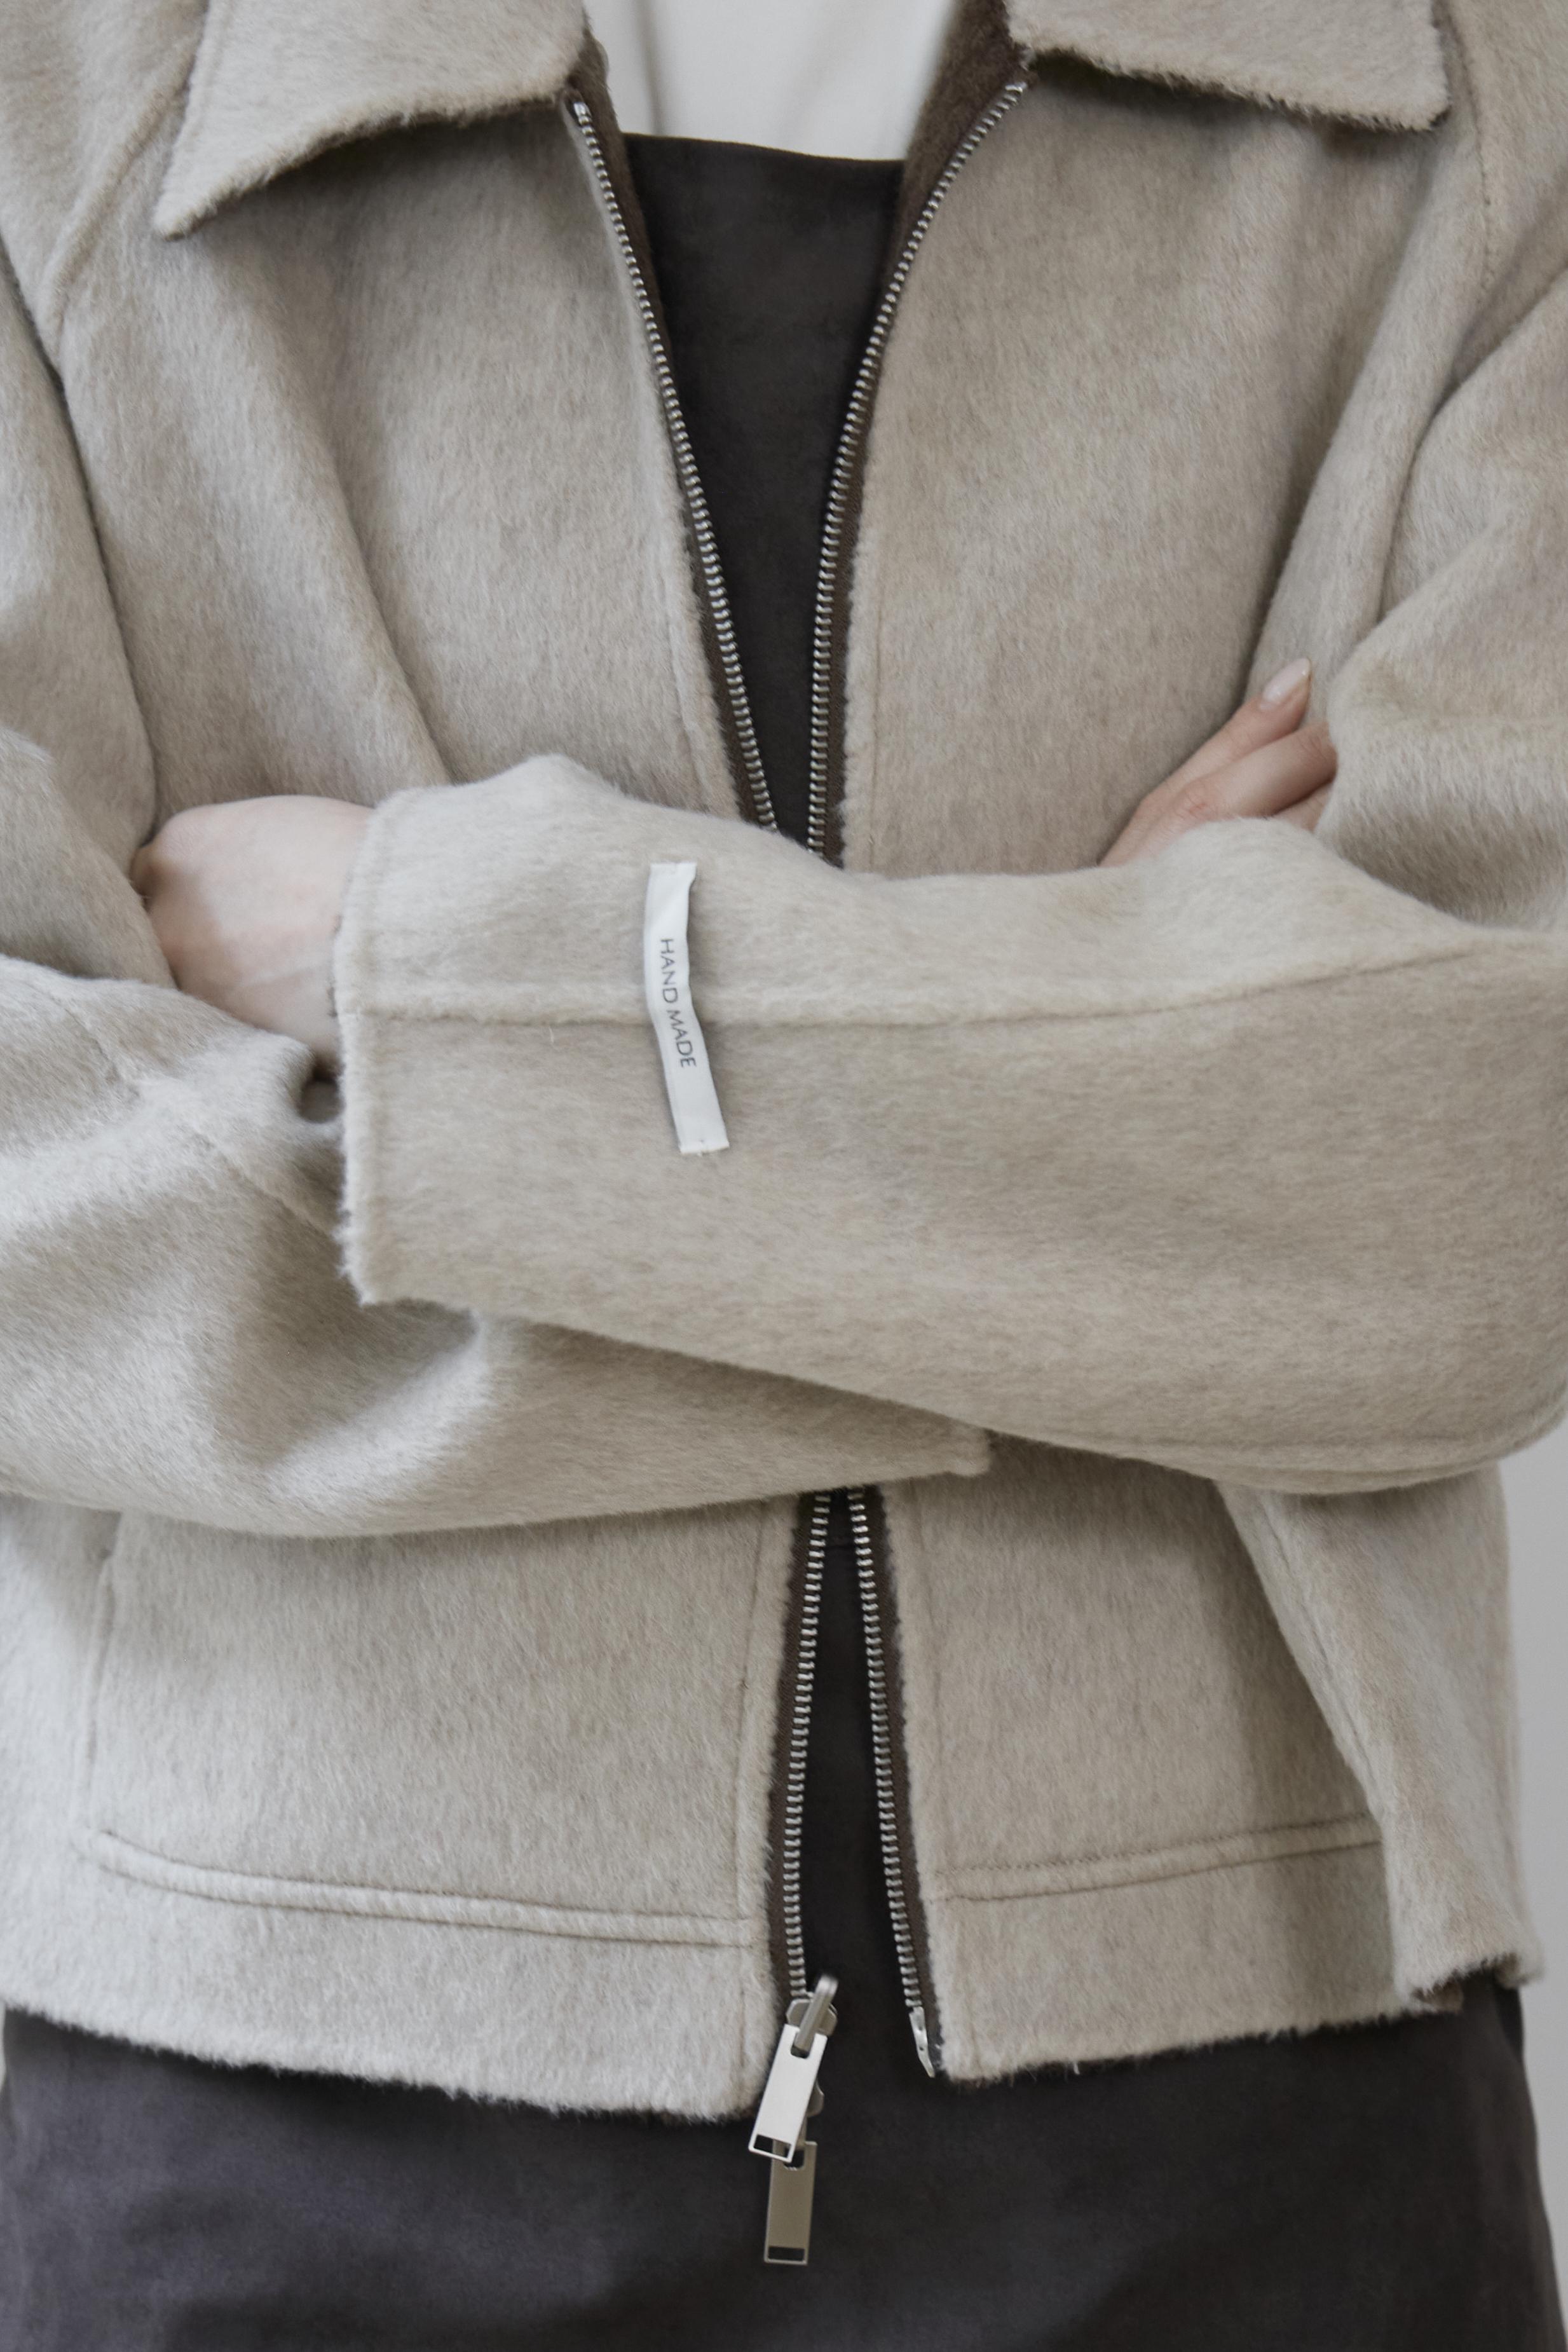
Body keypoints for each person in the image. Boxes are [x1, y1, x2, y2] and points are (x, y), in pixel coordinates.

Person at [0, 0, 1564, 2341]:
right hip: (274, 2142)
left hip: (1254, 2137)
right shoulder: (56, 85)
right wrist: (1097, 1133)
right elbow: (39, 1227)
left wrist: (449, 969)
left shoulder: (1471, 86)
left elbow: (1482, 1198)